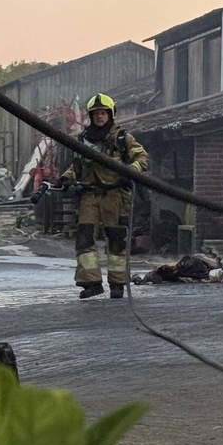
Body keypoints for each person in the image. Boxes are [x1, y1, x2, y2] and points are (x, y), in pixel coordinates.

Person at [60, 93, 148, 299]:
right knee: (84, 238)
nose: (99, 117)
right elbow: (77, 165)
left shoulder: (122, 138)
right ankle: (91, 283)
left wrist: (131, 169)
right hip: (89, 195)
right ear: (91, 116)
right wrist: (66, 178)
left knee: (116, 240)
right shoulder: (83, 140)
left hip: (115, 195)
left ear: (111, 115)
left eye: (103, 113)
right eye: (96, 114)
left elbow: (142, 157)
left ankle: (117, 285)